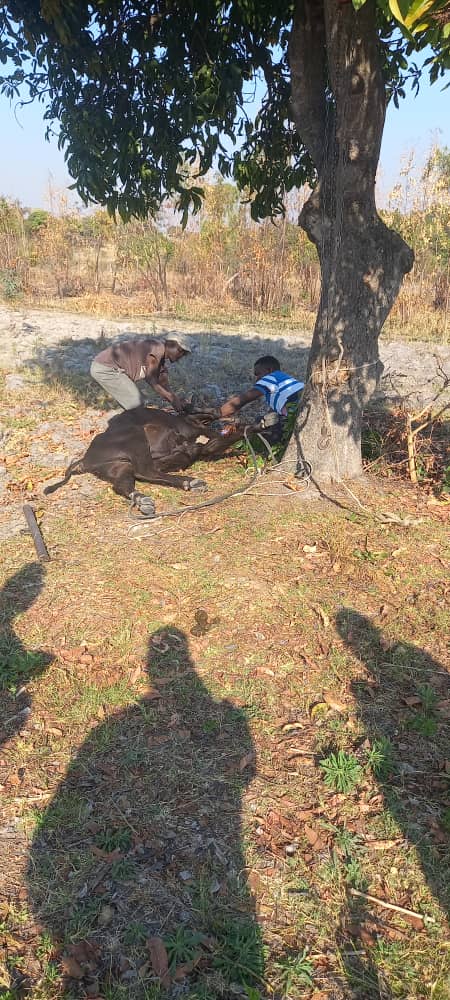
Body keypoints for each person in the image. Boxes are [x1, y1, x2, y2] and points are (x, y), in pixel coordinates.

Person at [90, 335, 191, 412]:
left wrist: (175, 400)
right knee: (136, 401)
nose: (181, 355)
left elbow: (163, 384)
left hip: (108, 367)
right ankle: (127, 432)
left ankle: (128, 428)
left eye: (184, 354)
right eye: (180, 351)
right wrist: (171, 398)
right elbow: (150, 379)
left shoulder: (161, 362)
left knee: (134, 403)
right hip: (106, 368)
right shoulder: (157, 349)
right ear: (170, 345)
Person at [220, 355, 304, 439]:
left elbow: (243, 399)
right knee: (261, 421)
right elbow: (273, 413)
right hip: (296, 420)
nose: (257, 379)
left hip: (294, 424)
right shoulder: (284, 380)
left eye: (258, 374)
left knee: (263, 429)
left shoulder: (272, 378)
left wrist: (217, 413)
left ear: (269, 370)